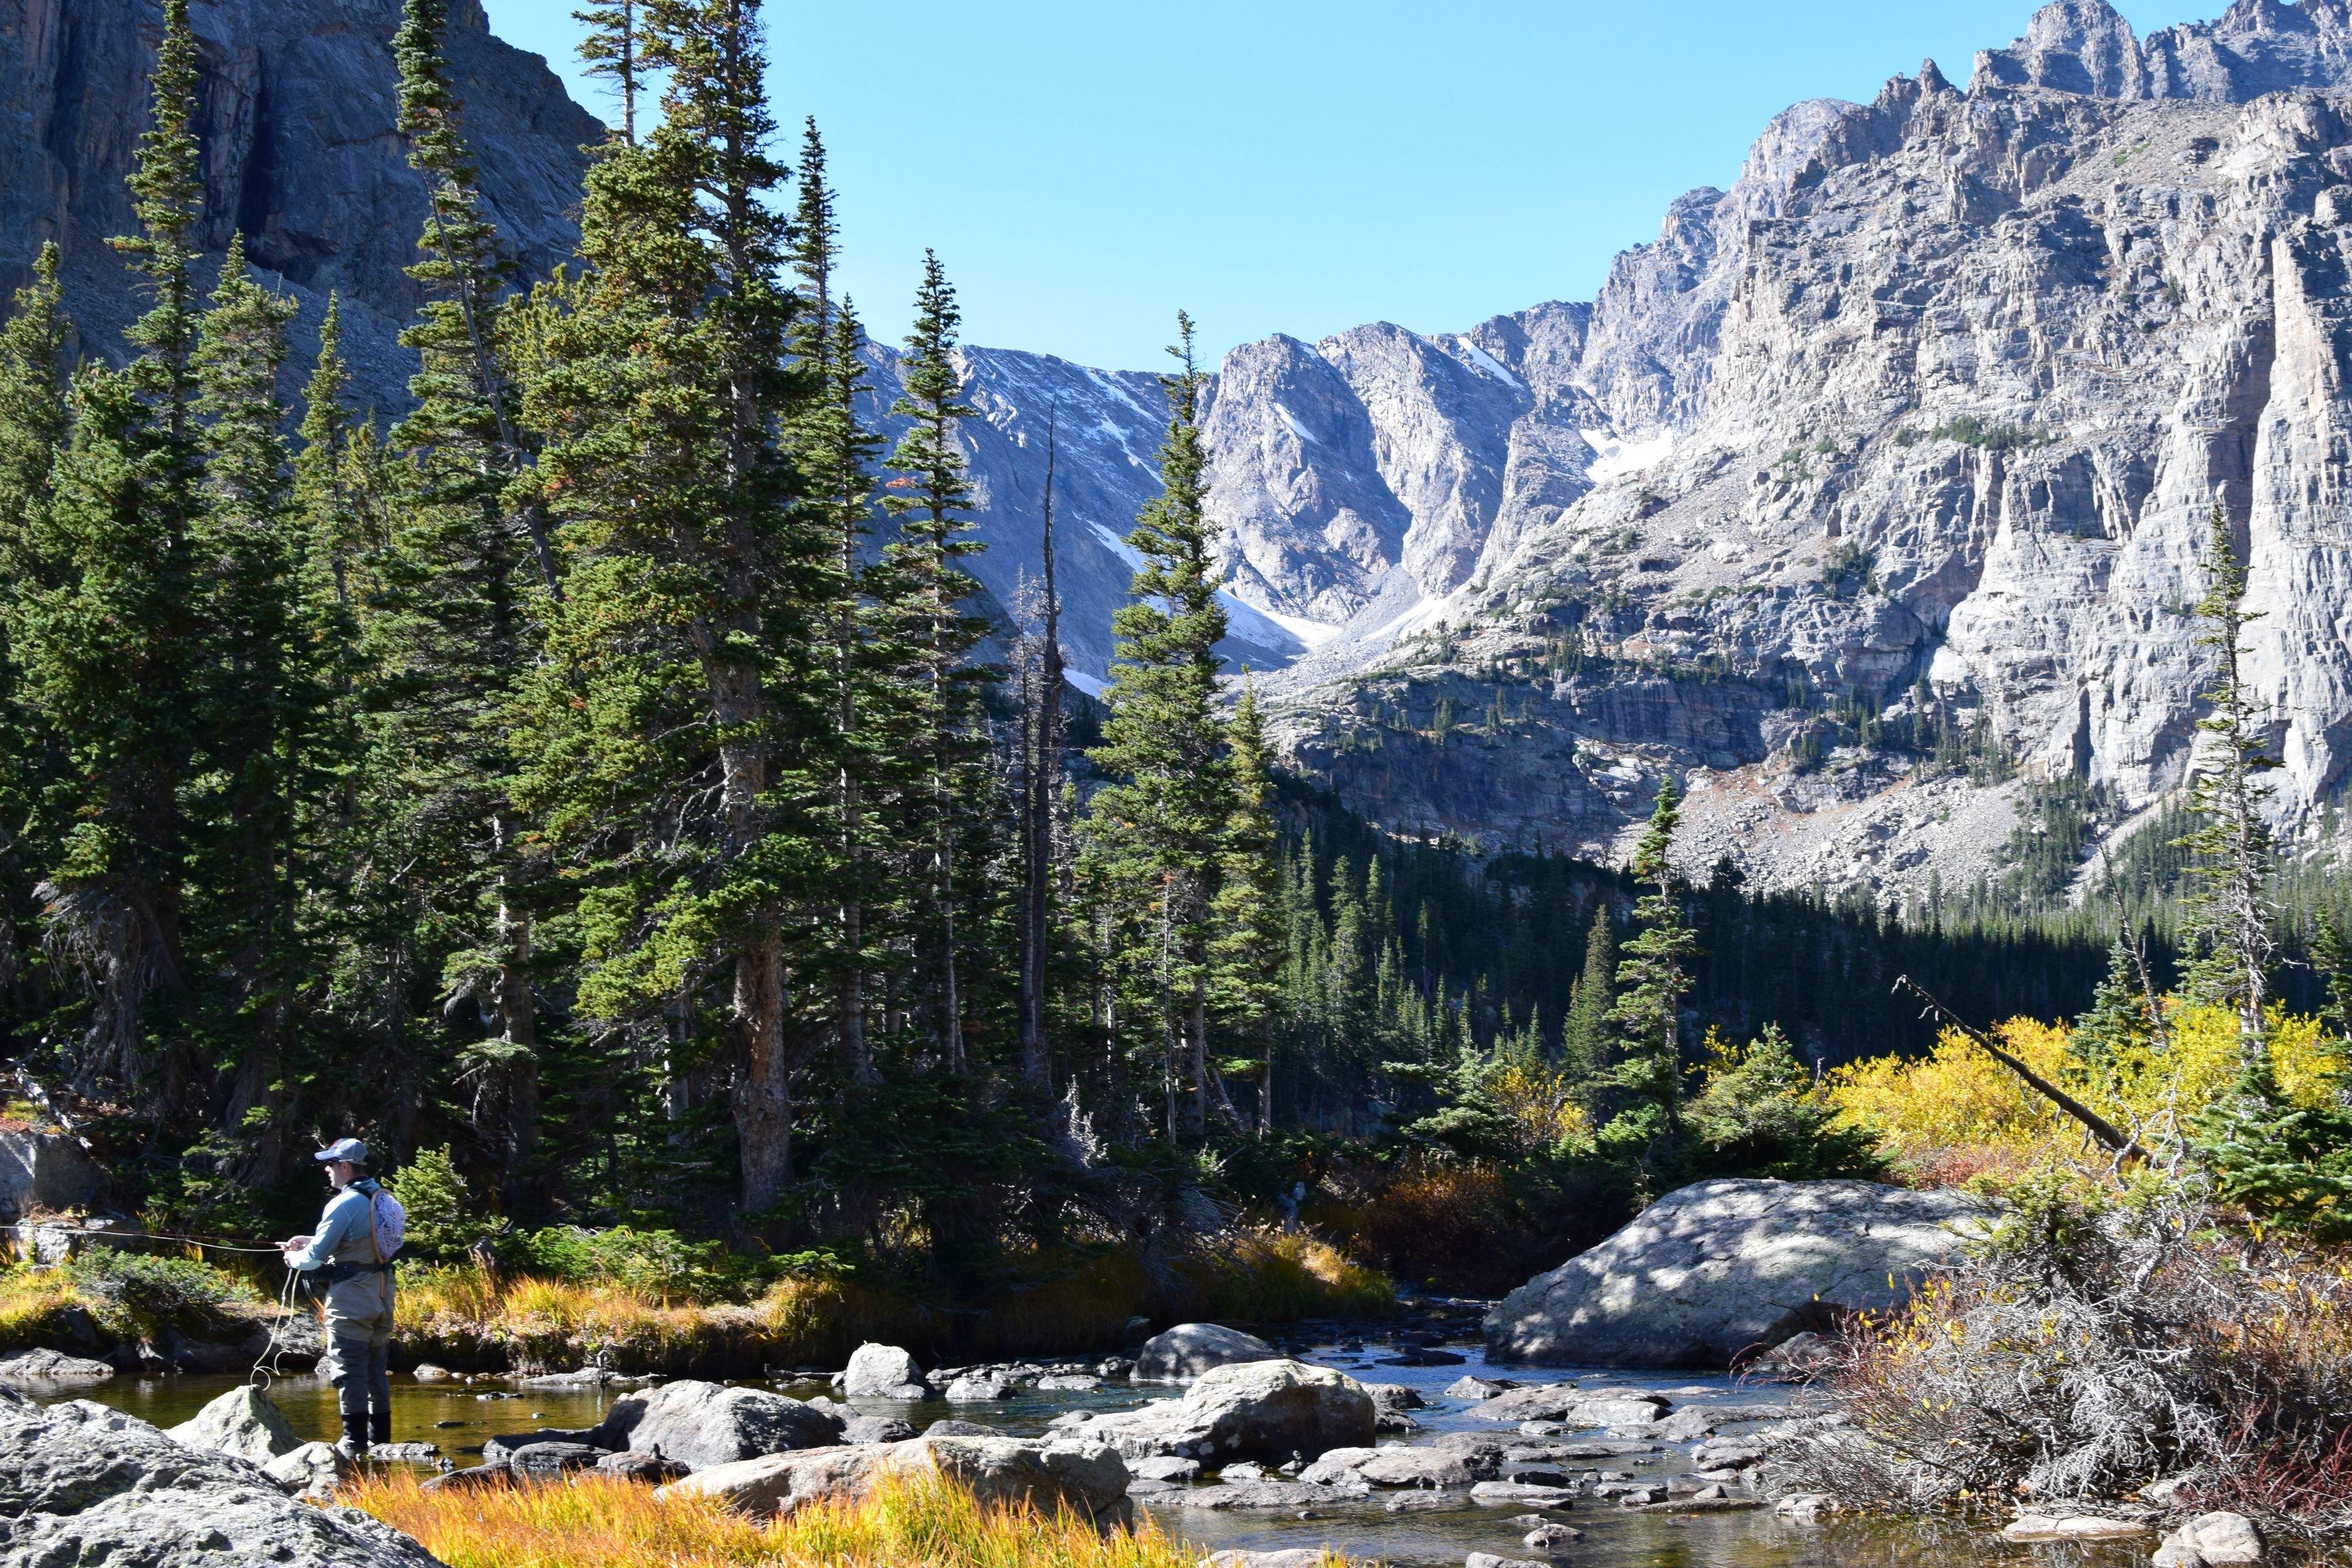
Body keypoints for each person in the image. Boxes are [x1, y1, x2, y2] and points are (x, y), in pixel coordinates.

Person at [280, 1137, 399, 1456]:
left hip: (352, 1297)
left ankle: (354, 1442)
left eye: (331, 1164)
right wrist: (309, 1239)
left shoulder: (343, 1203)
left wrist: (294, 1259)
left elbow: (315, 1258)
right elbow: (361, 1239)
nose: (327, 1170)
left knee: (348, 1368)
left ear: (345, 1166)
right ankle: (381, 1441)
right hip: (382, 1293)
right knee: (375, 1367)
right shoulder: (381, 1196)